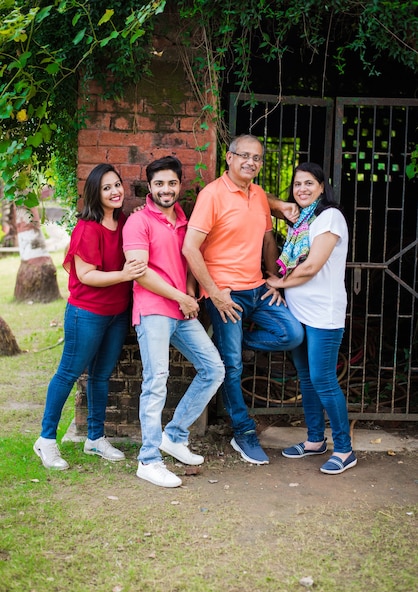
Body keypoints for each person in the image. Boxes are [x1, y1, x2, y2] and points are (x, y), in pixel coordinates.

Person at [182, 135, 304, 466]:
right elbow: (190, 248)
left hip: (256, 288)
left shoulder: (259, 195)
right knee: (231, 366)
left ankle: (236, 343)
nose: (251, 162)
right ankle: (243, 432)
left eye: (257, 158)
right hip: (225, 293)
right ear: (229, 158)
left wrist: (273, 276)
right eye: (244, 156)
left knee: (291, 334)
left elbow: (266, 240)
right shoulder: (212, 196)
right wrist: (214, 292)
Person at [34, 164, 146, 470]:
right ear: (95, 194)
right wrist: (123, 274)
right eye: (107, 187)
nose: (115, 191)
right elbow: (83, 273)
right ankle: (45, 440)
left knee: (101, 376)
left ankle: (95, 439)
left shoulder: (124, 222)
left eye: (117, 185)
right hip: (87, 313)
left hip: (116, 313)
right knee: (68, 373)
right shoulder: (87, 227)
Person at [123, 156, 225, 488]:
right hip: (153, 309)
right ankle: (148, 460)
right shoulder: (138, 223)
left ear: (179, 185)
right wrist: (181, 297)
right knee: (156, 382)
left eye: (171, 183)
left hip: (182, 311)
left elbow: (186, 261)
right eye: (159, 184)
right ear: (149, 187)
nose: (166, 189)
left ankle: (174, 435)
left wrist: (191, 292)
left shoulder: (184, 219)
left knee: (214, 368)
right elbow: (141, 271)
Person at [267, 162, 357, 474]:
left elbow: (311, 266)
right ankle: (315, 440)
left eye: (309, 183)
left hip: (323, 313)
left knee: (323, 379)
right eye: (297, 184)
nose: (302, 189)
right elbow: (254, 196)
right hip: (298, 310)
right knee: (305, 378)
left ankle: (344, 449)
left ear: (322, 186)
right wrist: (280, 205)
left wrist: (276, 282)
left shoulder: (330, 217)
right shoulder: (301, 219)